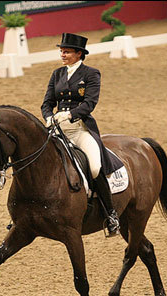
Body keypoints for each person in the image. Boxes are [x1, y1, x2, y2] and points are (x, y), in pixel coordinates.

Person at [41, 32, 122, 237]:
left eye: (66, 51)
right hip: (58, 130)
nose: (62, 54)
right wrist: (49, 116)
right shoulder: (57, 74)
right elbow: (47, 102)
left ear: (79, 54)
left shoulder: (91, 74)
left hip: (80, 129)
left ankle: (111, 215)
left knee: (95, 167)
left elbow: (90, 103)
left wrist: (70, 114)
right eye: (61, 51)